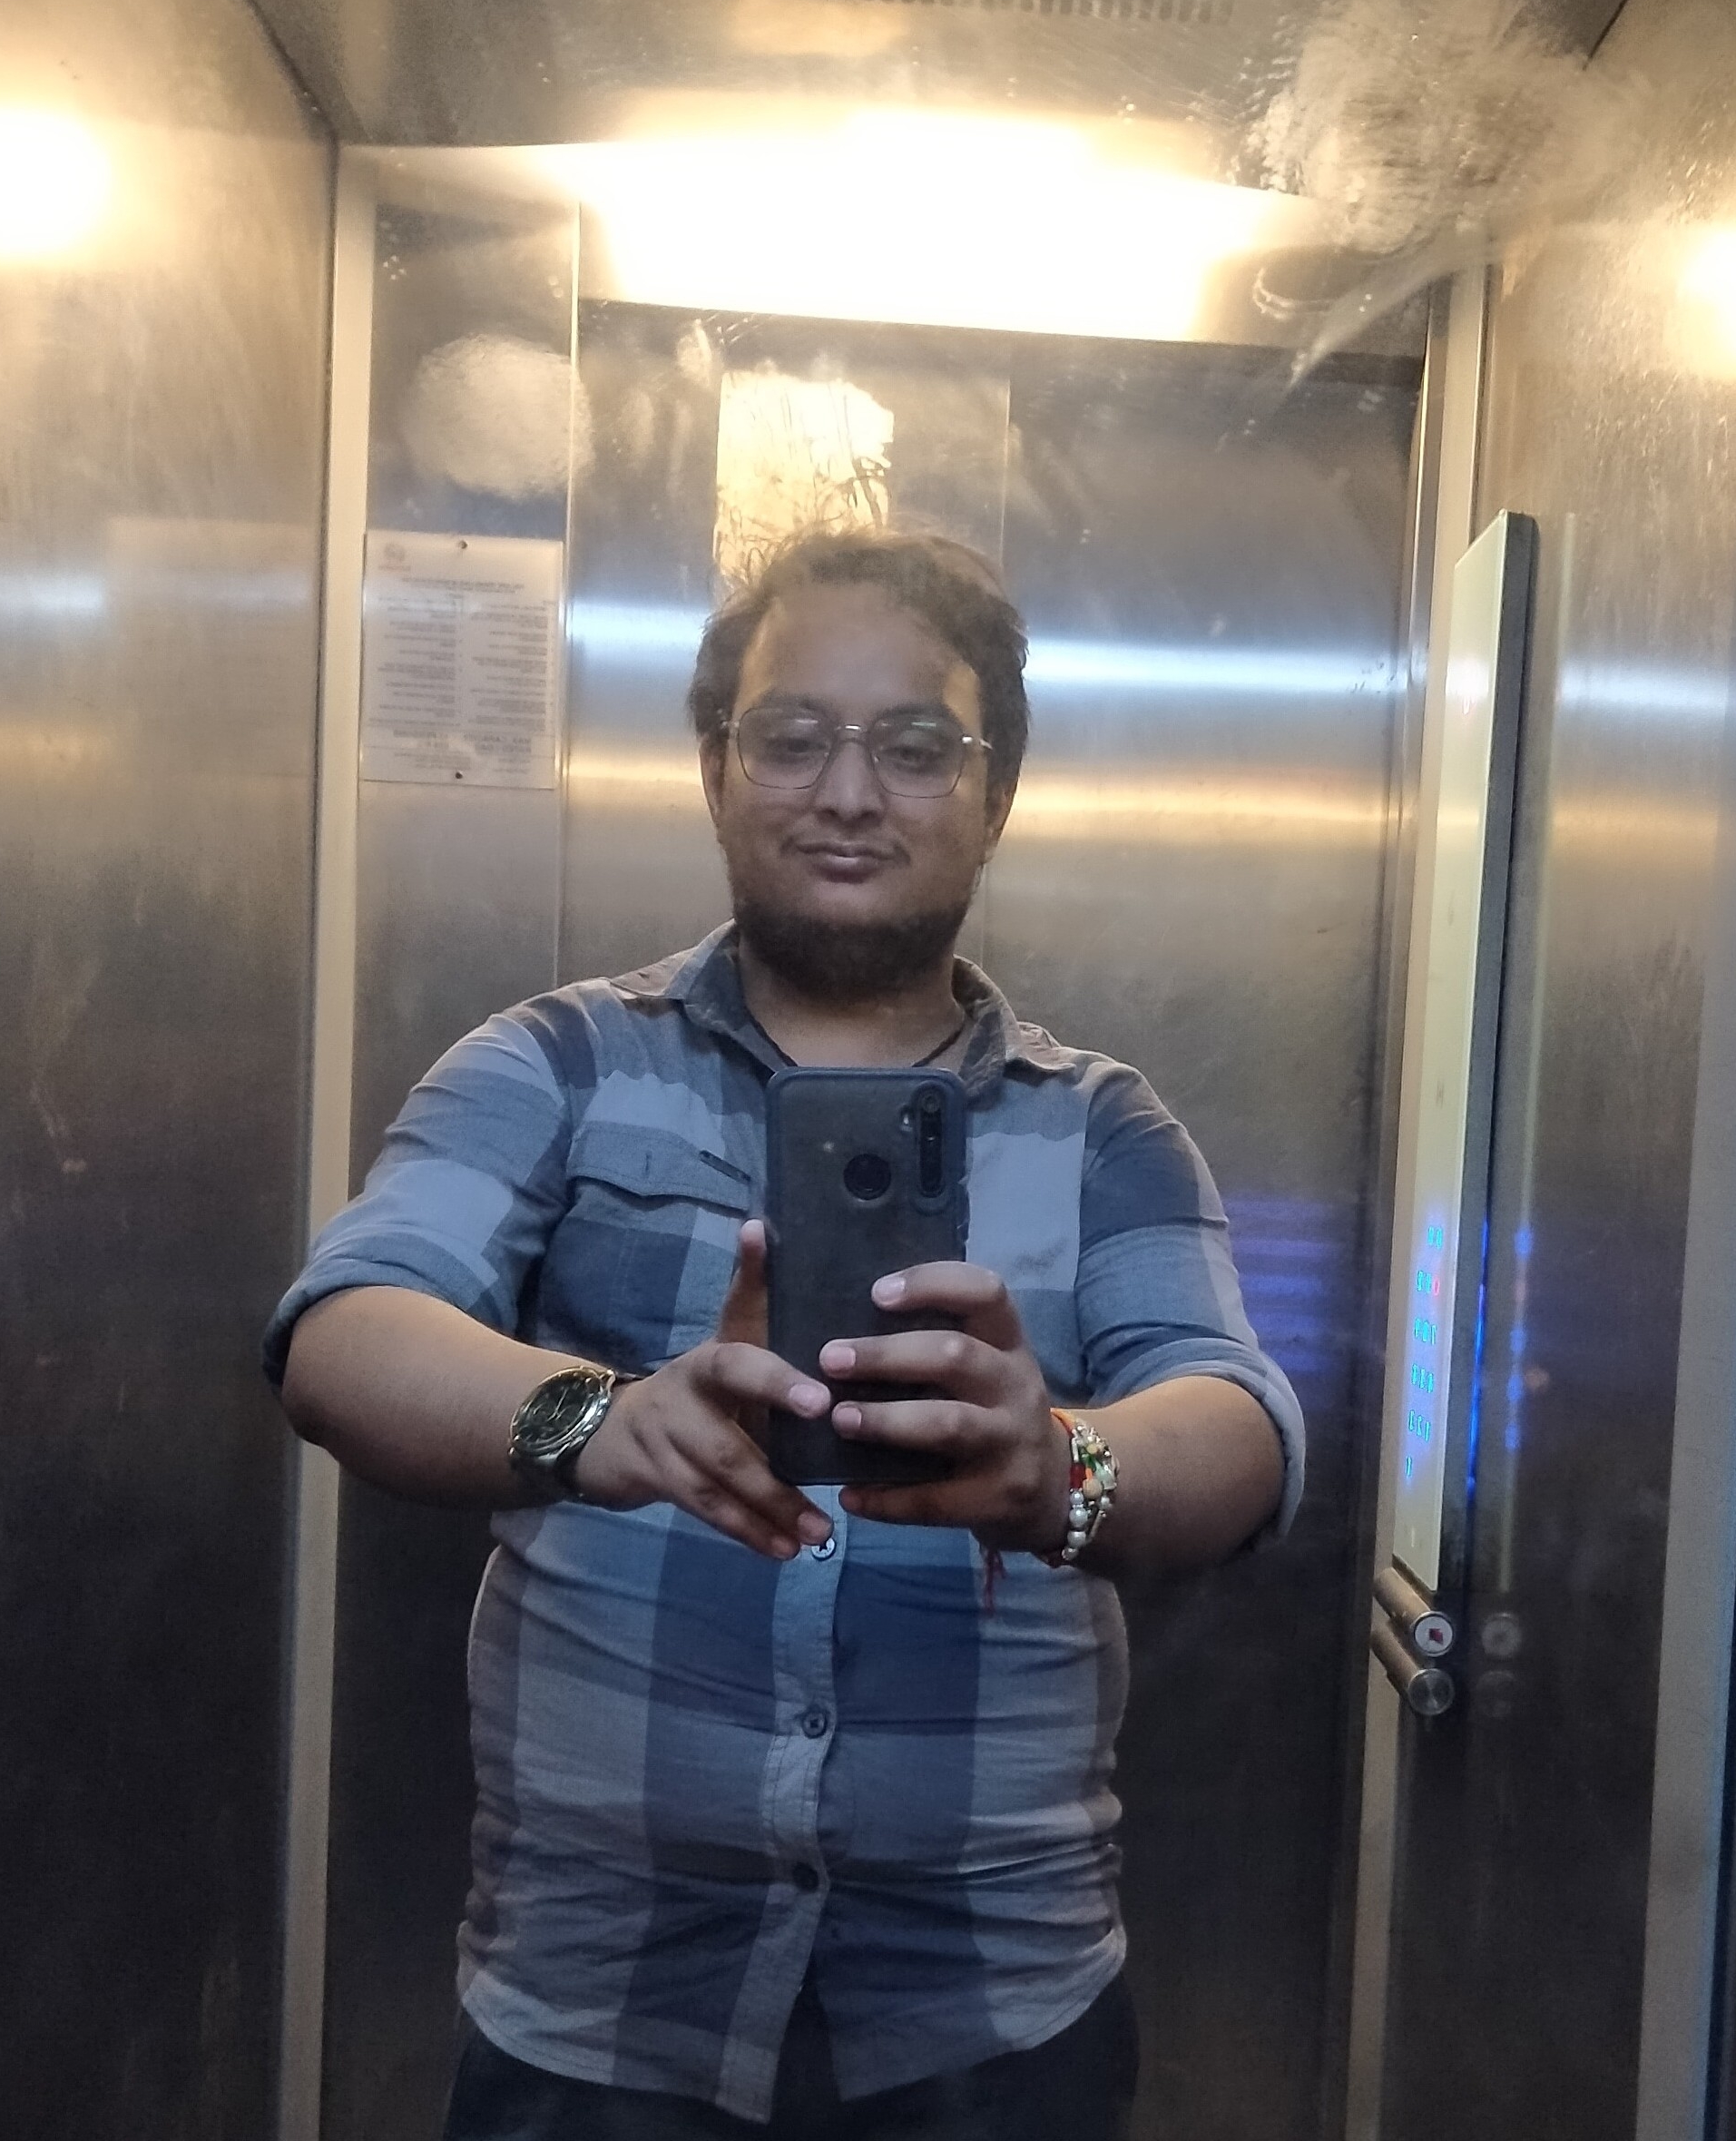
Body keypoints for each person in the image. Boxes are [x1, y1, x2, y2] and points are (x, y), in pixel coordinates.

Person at [266, 528, 1303, 2140]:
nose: (849, 793)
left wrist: (1059, 1469)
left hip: (991, 2007)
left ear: (996, 794)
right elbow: (348, 1327)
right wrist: (599, 1422)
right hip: (605, 2005)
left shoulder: (1103, 1128)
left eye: (917, 746)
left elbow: (1234, 1428)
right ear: (713, 769)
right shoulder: (558, 1065)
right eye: (792, 736)